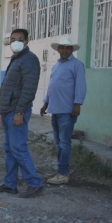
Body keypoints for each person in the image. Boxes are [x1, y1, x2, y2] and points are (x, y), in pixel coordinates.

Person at [0, 28, 43, 198]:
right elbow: (9, 86)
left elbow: (29, 89)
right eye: (13, 39)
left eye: (20, 39)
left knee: (18, 148)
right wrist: (2, 111)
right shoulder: (16, 59)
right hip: (8, 111)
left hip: (16, 111)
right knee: (9, 148)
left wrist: (19, 112)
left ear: (27, 41)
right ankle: (10, 184)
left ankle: (34, 183)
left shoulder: (29, 59)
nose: (16, 42)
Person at [40, 36, 86, 185]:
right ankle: (60, 170)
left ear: (71, 50)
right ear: (58, 49)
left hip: (67, 110)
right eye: (62, 47)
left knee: (64, 143)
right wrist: (45, 103)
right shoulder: (56, 65)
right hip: (55, 108)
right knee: (58, 142)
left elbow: (80, 86)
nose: (64, 50)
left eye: (67, 48)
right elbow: (52, 86)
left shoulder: (77, 65)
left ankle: (63, 174)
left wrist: (77, 104)